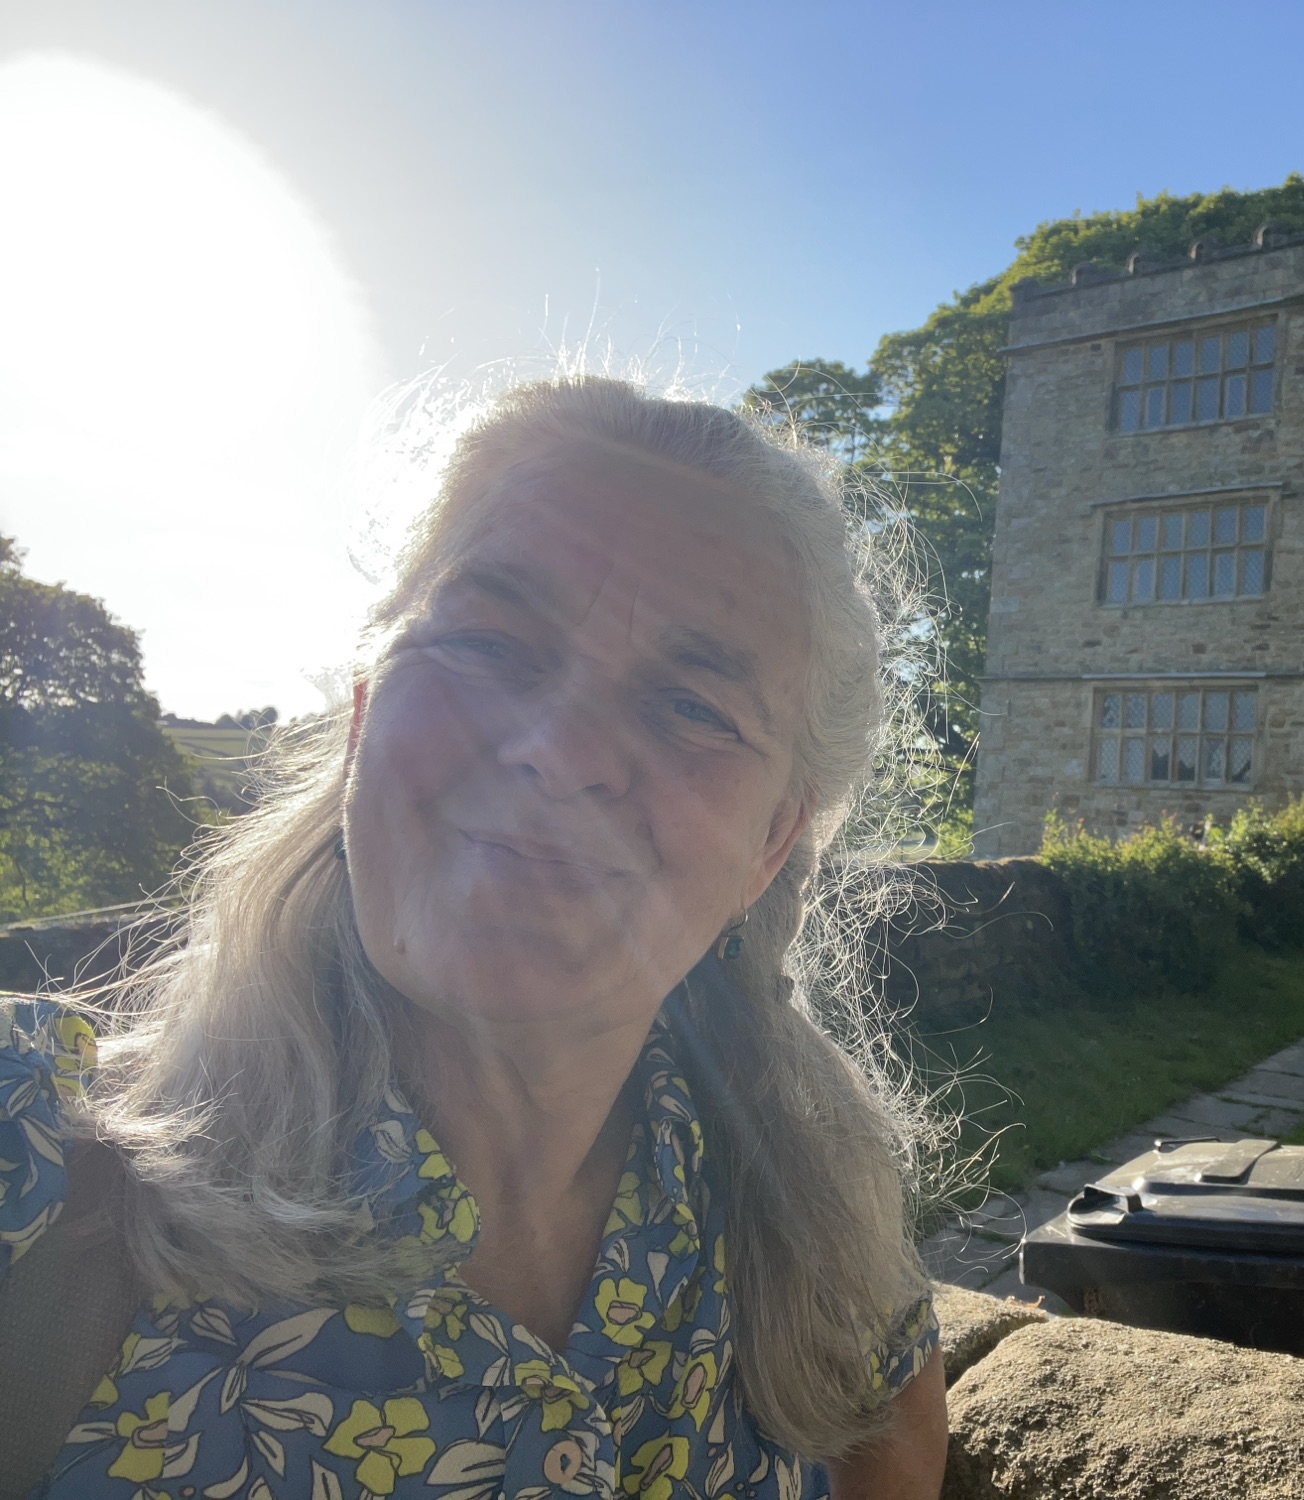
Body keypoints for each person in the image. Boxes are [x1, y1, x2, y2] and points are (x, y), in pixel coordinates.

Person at [0, 379, 947, 1499]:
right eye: (491, 644)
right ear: (365, 723)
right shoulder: (37, 1174)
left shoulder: (823, 1246)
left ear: (772, 843)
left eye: (693, 707)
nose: (557, 750)